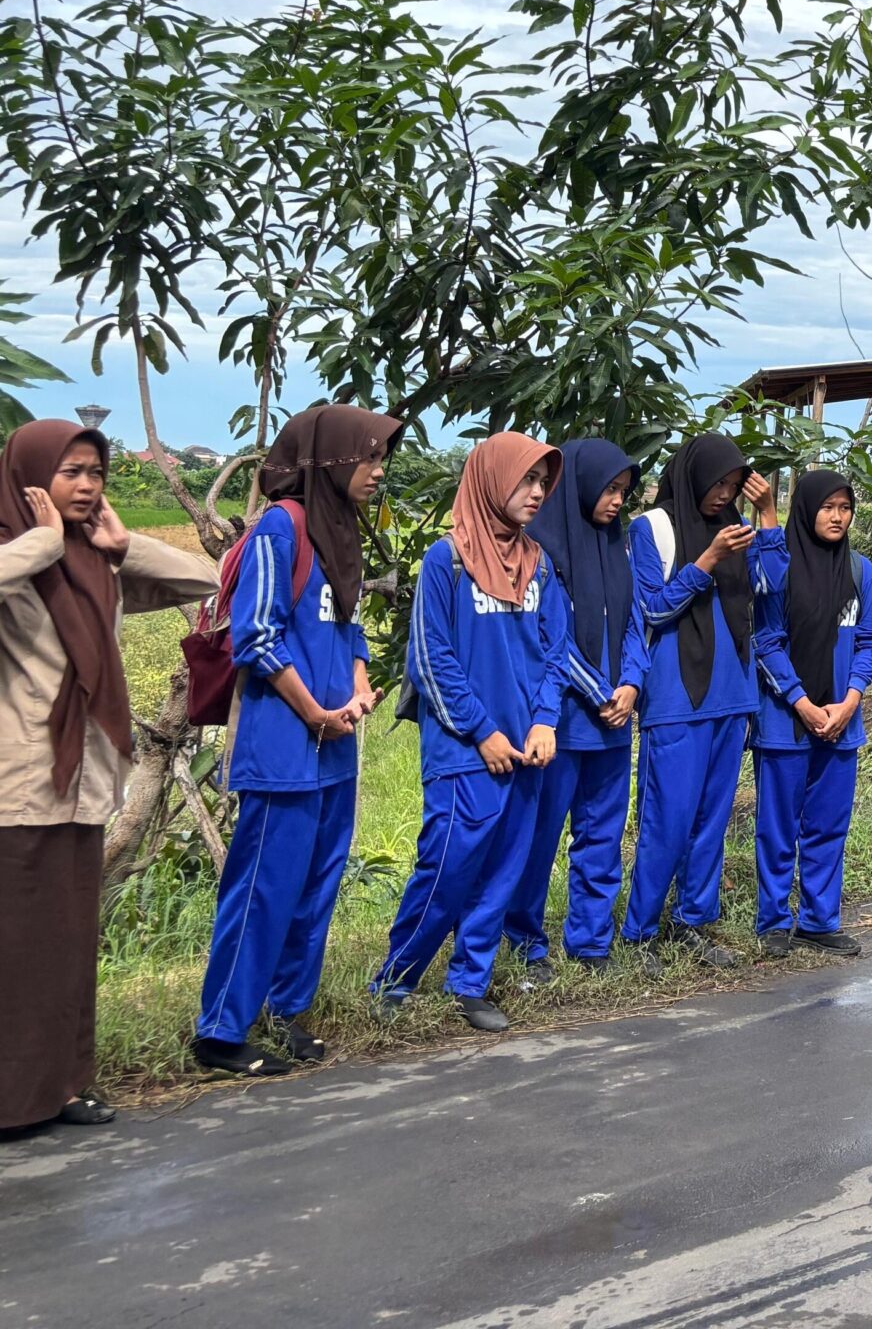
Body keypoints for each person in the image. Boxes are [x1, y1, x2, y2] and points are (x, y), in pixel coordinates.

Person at [0, 422, 216, 1131]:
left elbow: (207, 579)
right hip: (20, 785)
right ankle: (14, 1099)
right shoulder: (16, 555)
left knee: (67, 946)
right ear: (30, 479)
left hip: (87, 782)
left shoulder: (99, 564)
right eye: (70, 472)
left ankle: (64, 1087)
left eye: (96, 472)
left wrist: (124, 545)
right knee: (17, 947)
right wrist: (41, 545)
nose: (88, 486)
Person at [196, 404, 400, 1076]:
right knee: (262, 889)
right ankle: (221, 1031)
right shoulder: (280, 528)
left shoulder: (341, 531)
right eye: (368, 457)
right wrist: (315, 712)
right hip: (285, 746)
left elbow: (350, 626)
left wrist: (360, 687)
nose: (377, 471)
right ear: (331, 459)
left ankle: (286, 1013)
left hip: (334, 747)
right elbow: (256, 636)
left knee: (316, 885)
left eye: (381, 459)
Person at [374, 433, 577, 1032]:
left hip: (525, 749)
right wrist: (482, 731)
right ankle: (395, 979)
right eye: (526, 479)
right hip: (465, 750)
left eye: (543, 482)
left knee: (503, 870)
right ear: (492, 481)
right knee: (447, 867)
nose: (537, 492)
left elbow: (556, 653)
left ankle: (470, 981)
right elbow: (431, 659)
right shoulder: (448, 560)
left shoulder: (539, 564)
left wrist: (544, 720)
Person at [625, 435, 780, 973]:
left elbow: (772, 588)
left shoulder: (737, 526)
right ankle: (640, 931)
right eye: (718, 483)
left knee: (712, 822)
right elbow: (652, 609)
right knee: (667, 820)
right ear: (692, 476)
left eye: (734, 485)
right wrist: (707, 561)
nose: (724, 494)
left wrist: (767, 515)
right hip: (676, 698)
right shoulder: (653, 528)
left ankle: (691, 922)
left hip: (733, 696)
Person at [504, 439, 644, 980]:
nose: (616, 501)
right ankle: (524, 941)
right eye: (609, 489)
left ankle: (590, 941)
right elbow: (553, 642)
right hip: (561, 723)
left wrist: (632, 683)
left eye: (623, 491)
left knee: (603, 837)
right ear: (582, 486)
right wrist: (602, 692)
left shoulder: (617, 548)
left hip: (613, 724)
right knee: (539, 837)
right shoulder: (543, 551)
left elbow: (636, 624)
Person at [749, 469, 872, 955]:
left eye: (845, 508)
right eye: (828, 507)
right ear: (807, 509)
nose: (837, 517)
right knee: (777, 828)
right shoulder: (779, 569)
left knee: (828, 827)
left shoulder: (861, 573)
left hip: (841, 724)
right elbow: (766, 640)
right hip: (785, 723)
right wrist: (802, 703)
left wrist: (850, 700)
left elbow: (870, 640)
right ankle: (773, 922)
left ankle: (819, 921)